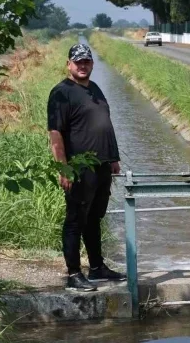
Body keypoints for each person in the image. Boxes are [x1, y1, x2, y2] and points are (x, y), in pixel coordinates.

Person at [47, 43, 125, 292]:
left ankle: (97, 267)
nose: (82, 65)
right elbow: (55, 133)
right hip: (80, 168)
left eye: (86, 61)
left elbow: (106, 124)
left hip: (102, 166)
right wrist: (64, 168)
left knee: (94, 218)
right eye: (77, 61)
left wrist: (113, 158)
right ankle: (73, 273)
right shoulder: (62, 92)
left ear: (92, 64)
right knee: (75, 220)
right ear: (68, 64)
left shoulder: (95, 89)